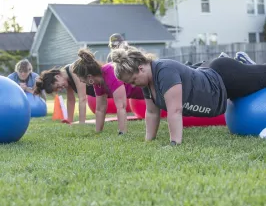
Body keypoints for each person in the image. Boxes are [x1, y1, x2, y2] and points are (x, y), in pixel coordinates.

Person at [110, 46, 266, 146]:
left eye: (133, 80)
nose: (132, 85)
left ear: (141, 68)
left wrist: (174, 143)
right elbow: (151, 112)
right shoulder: (146, 83)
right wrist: (148, 141)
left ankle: (246, 65)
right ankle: (245, 64)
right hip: (213, 78)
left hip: (226, 77)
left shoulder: (164, 71)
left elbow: (175, 111)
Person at [72, 48, 144, 134]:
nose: (80, 81)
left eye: (80, 77)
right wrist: (98, 133)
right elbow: (100, 109)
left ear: (89, 76)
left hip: (145, 88)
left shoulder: (110, 72)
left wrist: (122, 133)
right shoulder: (98, 83)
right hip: (141, 95)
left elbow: (121, 107)